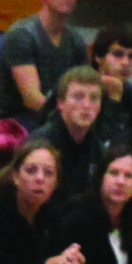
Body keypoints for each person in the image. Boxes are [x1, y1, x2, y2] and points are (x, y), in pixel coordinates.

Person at [0, 0, 85, 128]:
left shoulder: (75, 39)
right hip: (18, 121)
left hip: (57, 116)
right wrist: (74, 114)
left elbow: (83, 87)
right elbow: (32, 99)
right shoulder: (22, 35)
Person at [30, 65, 121, 205]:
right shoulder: (39, 145)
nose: (86, 105)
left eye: (94, 98)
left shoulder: (97, 147)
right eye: (78, 97)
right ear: (61, 103)